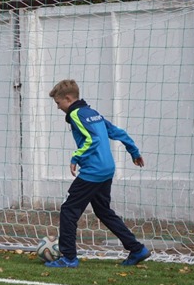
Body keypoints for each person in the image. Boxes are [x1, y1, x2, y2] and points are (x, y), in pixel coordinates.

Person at [47, 79, 150, 268]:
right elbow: (117, 131)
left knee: (69, 211)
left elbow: (91, 139)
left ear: (68, 99)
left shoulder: (76, 113)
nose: (58, 108)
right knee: (103, 211)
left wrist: (75, 157)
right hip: (107, 169)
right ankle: (137, 249)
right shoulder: (93, 113)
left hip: (92, 172)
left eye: (58, 103)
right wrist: (134, 151)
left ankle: (68, 257)